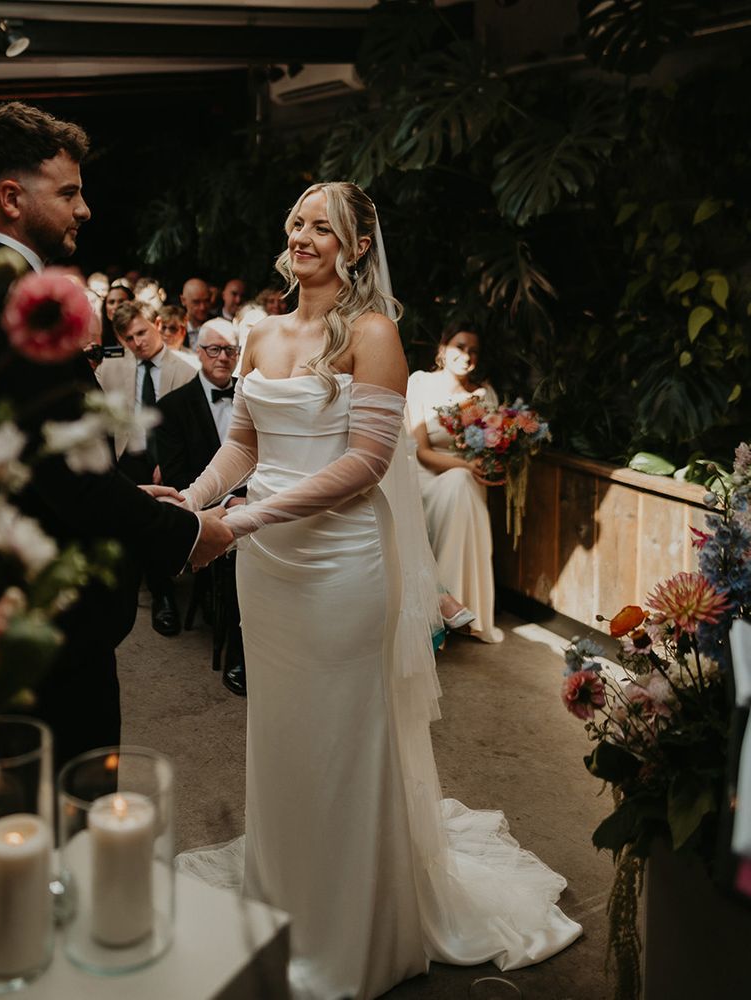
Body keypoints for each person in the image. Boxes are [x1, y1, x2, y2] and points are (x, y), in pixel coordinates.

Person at [174, 182, 580, 999]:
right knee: (282, 732)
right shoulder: (258, 332)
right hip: (270, 574)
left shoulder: (372, 334)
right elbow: (244, 446)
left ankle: (352, 928)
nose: (304, 236)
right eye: (297, 221)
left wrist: (239, 524)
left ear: (357, 247)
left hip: (340, 568)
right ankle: (286, 894)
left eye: (324, 227)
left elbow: (361, 468)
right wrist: (189, 504)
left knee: (343, 739)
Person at [0, 101, 232, 770]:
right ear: (12, 197)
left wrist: (137, 497)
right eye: (68, 192)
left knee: (33, 801)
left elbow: (36, 452)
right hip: (38, 611)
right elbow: (68, 476)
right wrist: (186, 534)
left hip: (8, 590)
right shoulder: (7, 299)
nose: (84, 208)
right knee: (60, 808)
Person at [96, 299, 198, 637]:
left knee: (153, 522)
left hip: (165, 459)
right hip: (123, 455)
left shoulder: (184, 370)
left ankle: (163, 596)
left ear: (155, 323)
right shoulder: (109, 369)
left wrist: (166, 464)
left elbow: (188, 429)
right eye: (128, 338)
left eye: (141, 332)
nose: (138, 342)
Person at [156, 319, 246, 695]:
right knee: (246, 543)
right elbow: (177, 475)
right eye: (214, 349)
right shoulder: (173, 407)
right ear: (199, 352)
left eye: (230, 350)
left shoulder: (252, 395)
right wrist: (227, 500)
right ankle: (240, 655)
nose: (222, 357)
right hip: (209, 502)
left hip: (258, 493)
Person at [406, 327, 504, 644]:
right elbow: (421, 451)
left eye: (474, 350)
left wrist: (495, 460)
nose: (467, 355)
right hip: (426, 473)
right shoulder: (420, 383)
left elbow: (491, 448)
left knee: (463, 484)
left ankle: (452, 611)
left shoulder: (483, 394)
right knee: (461, 480)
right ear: (443, 347)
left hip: (469, 478)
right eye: (460, 346)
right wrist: (466, 465)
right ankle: (444, 610)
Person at [180, 277, 212, 347]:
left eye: (206, 301)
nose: (202, 307)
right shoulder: (173, 327)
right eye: (196, 302)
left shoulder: (218, 326)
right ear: (183, 300)